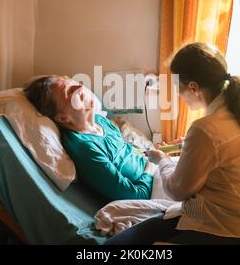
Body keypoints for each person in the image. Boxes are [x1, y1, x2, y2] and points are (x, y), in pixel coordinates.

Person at [106, 42, 240, 245]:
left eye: (178, 88)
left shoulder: (205, 129)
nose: (178, 95)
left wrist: (162, 160)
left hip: (229, 232)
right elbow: (225, 157)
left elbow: (178, 190)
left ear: (193, 87)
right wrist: (188, 147)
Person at [24, 76, 157, 201]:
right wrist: (152, 166)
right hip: (151, 187)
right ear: (63, 118)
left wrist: (151, 154)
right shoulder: (84, 148)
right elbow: (136, 196)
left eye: (75, 84)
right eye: (70, 91)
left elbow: (129, 153)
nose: (80, 87)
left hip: (154, 171)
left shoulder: (101, 121)